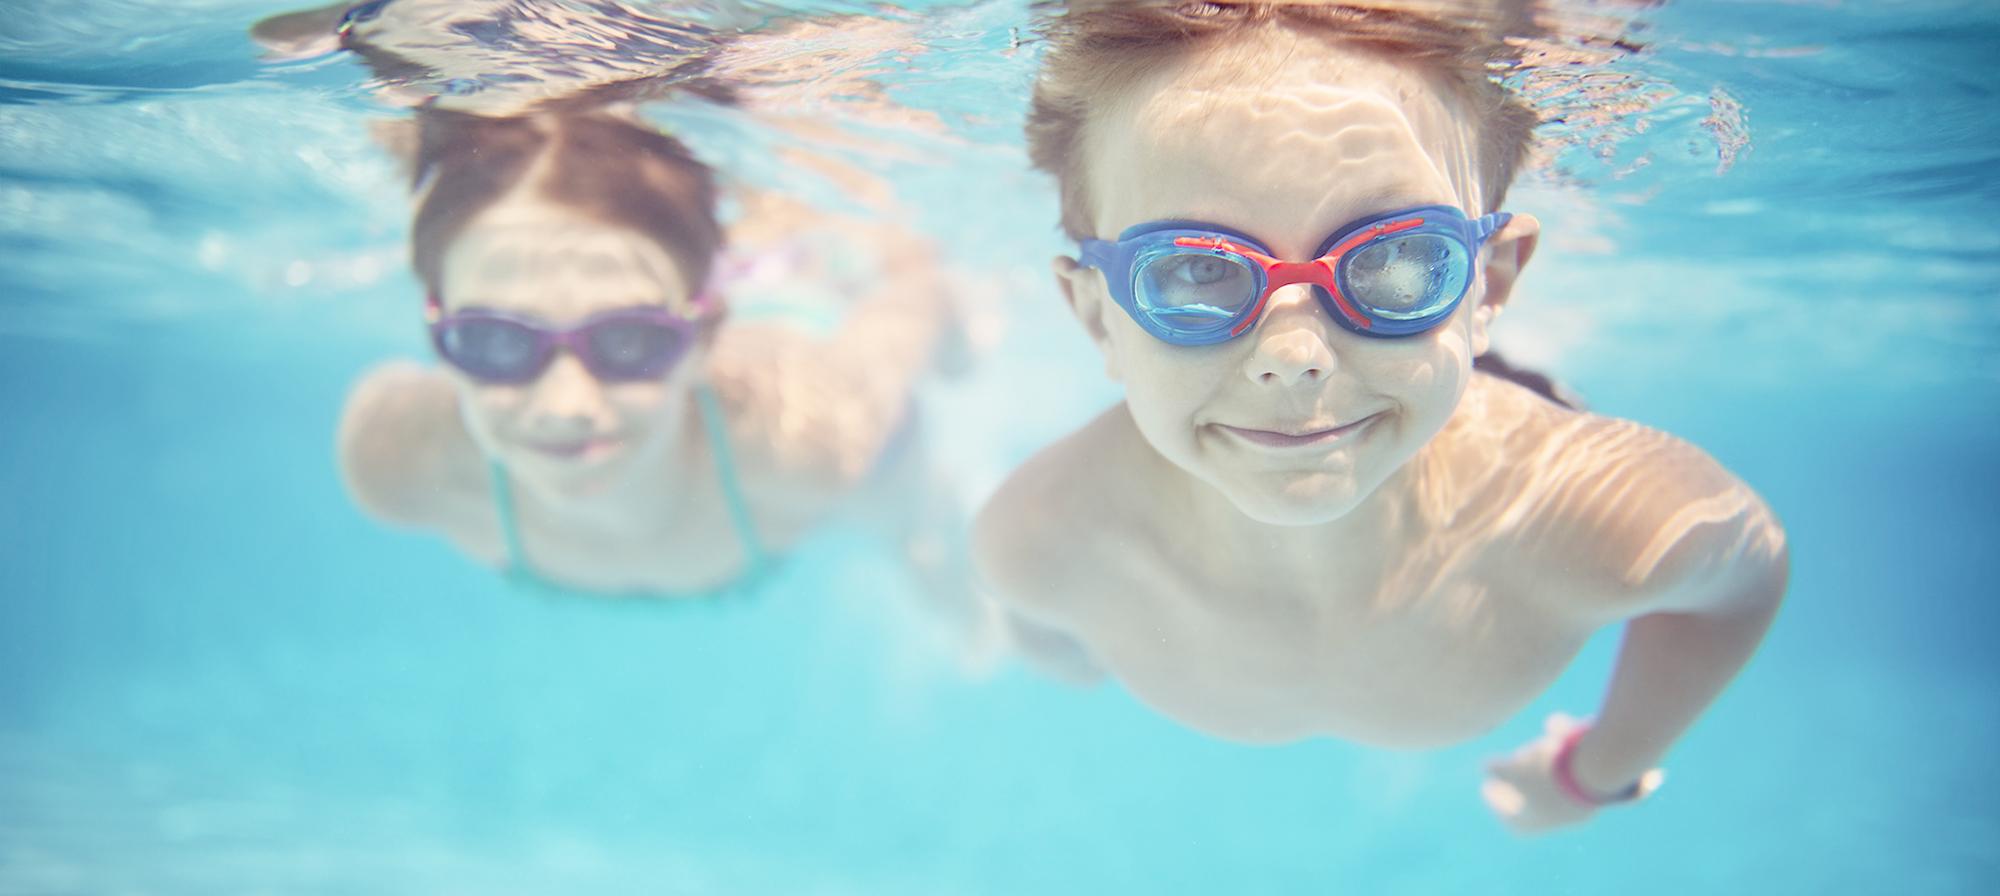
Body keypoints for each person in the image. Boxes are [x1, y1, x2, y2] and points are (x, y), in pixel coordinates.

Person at [973, 0, 1788, 833]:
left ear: (1489, 285)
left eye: (1398, 256)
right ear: (1098, 318)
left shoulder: (1592, 515)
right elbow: (1041, 631)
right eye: (1195, 271)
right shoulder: (1040, 542)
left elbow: (1746, 579)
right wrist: (1065, 647)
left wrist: (1597, 773)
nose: (1295, 353)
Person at [338, 108, 959, 599]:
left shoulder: (811, 437)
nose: (564, 407)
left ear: (705, 338)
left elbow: (914, 288)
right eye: (496, 339)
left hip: (793, 310)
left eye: (628, 340)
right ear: (437, 332)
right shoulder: (398, 461)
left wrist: (920, 538)